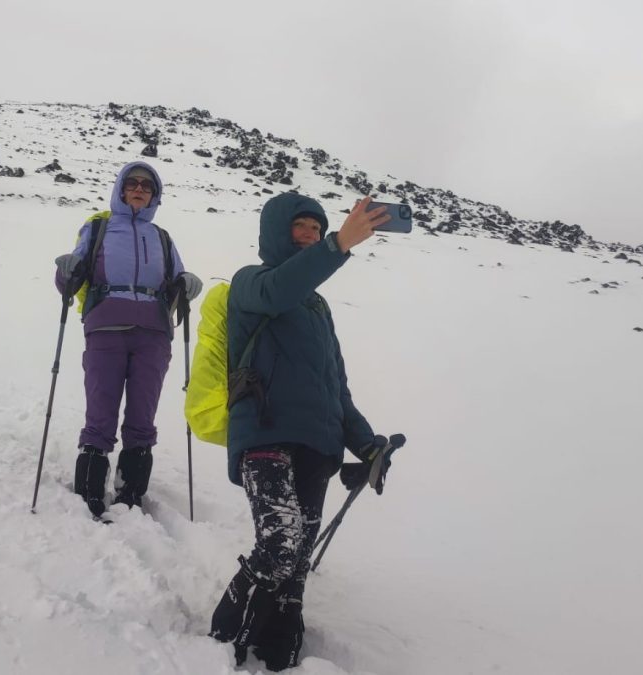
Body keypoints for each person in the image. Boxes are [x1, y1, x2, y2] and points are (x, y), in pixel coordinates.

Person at [208, 193, 393, 671]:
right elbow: (279, 291)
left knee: (295, 567)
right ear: (275, 231)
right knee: (280, 543)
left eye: (316, 228)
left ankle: (277, 651)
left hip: (318, 445)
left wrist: (367, 443)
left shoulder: (318, 309)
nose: (310, 234)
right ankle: (220, 639)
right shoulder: (250, 283)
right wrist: (337, 246)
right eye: (300, 227)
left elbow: (336, 388)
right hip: (265, 434)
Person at [53, 161, 202, 518]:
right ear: (121, 189)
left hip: (153, 331)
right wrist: (65, 272)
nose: (139, 188)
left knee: (143, 412)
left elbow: (176, 280)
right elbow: (73, 277)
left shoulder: (163, 237)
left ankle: (131, 492)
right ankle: (90, 488)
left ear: (155, 195)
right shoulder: (99, 226)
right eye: (132, 183)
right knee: (101, 406)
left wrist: (187, 284)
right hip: (105, 324)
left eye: (146, 186)